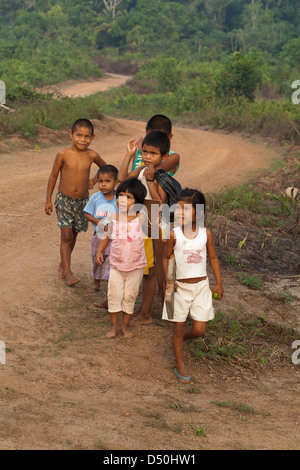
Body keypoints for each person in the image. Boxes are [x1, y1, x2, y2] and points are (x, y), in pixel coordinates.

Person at [162, 188, 224, 385]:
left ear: (200, 213)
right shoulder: (174, 234)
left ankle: (178, 344)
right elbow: (165, 258)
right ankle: (180, 365)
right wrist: (169, 281)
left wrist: (219, 283)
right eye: (178, 209)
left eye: (186, 209)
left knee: (198, 330)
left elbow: (213, 258)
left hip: (201, 287)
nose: (180, 213)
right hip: (178, 287)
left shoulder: (206, 234)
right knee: (177, 329)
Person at [45, 118, 106, 286]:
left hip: (82, 202)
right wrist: (48, 200)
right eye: (79, 135)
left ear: (92, 137)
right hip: (64, 200)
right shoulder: (63, 154)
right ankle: (68, 271)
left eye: (87, 136)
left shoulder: (92, 154)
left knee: (74, 234)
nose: (82, 140)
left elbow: (105, 168)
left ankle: (63, 265)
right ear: (71, 134)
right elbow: (53, 177)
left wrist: (94, 181)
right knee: (66, 235)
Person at [117, 131, 170, 325]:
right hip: (140, 229)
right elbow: (121, 181)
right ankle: (143, 309)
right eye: (145, 152)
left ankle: (146, 314)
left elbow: (159, 201)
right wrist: (130, 155)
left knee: (151, 273)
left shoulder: (162, 176)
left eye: (153, 154)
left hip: (154, 230)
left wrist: (150, 180)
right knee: (143, 269)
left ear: (163, 157)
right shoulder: (140, 169)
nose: (147, 157)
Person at [96, 178, 149, 338]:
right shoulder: (113, 217)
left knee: (129, 296)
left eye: (129, 197)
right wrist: (100, 251)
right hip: (116, 264)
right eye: (120, 196)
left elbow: (153, 229)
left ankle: (125, 327)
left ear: (138, 202)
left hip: (136, 265)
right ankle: (113, 327)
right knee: (114, 295)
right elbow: (106, 235)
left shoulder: (141, 218)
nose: (123, 200)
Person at [83, 165, 119, 304]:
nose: (103, 184)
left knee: (111, 260)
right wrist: (97, 222)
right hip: (98, 236)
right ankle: (96, 282)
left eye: (107, 181)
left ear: (115, 183)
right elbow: (86, 213)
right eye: (100, 181)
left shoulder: (119, 198)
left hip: (114, 237)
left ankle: (110, 284)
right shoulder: (95, 198)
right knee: (97, 259)